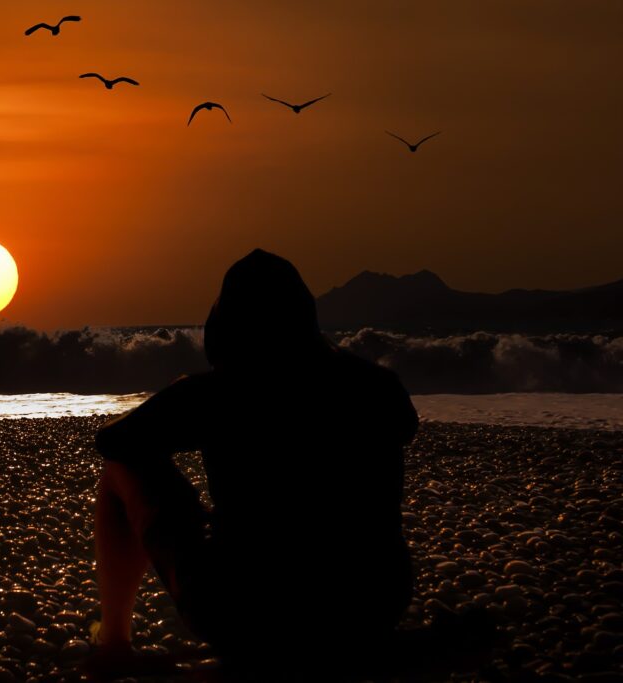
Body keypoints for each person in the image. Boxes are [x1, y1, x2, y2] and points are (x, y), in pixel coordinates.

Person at [90, 249, 419, 679]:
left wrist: (179, 397)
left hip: (244, 613)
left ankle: (113, 639)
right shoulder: (377, 385)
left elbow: (113, 441)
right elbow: (404, 428)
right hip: (373, 606)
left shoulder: (217, 393)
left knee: (121, 468)